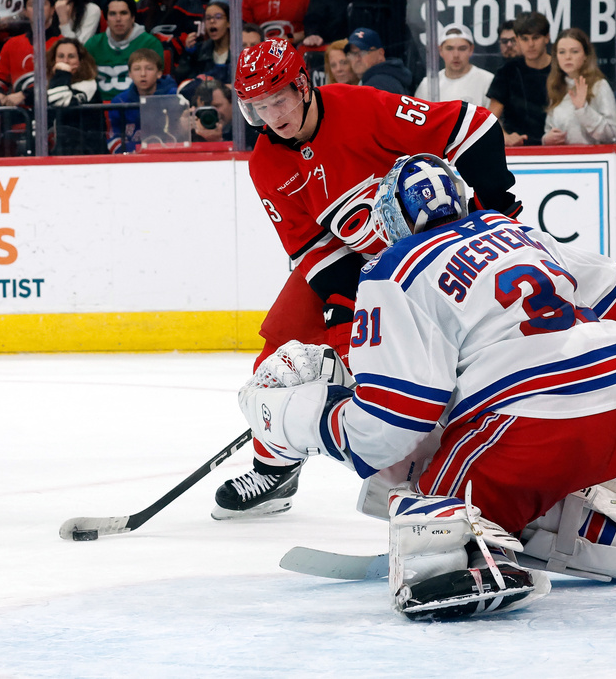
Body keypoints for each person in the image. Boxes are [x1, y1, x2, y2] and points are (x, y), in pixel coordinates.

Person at [237, 153, 616, 620]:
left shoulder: (394, 268)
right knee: (490, 465)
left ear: (389, 217)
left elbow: (390, 425)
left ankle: (470, 560)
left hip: (532, 430)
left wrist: (306, 418)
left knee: (422, 497)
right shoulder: (514, 230)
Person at [213, 39, 522, 520]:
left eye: (279, 100)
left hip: (434, 252)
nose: (272, 117)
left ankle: (464, 462)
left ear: (303, 85)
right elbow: (310, 247)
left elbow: (473, 126)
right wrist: (342, 303)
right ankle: (275, 465)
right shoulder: (266, 163)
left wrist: (499, 212)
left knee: (450, 361)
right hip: (358, 263)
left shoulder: (361, 107)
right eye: (257, 107)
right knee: (281, 347)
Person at [487, 11, 551, 146]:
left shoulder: (562, 69)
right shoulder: (507, 72)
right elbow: (489, 119)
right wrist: (505, 137)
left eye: (536, 38)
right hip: (518, 150)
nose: (531, 44)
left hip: (560, 148)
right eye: (525, 39)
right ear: (517, 40)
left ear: (547, 38)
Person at [542, 27, 615, 145]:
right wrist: (547, 139)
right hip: (563, 160)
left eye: (574, 51)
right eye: (562, 52)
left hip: (595, 160)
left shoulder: (599, 86)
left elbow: (612, 135)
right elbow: (549, 129)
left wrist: (582, 109)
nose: (567, 57)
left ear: (586, 55)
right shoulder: (557, 86)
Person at [84, 0, 165, 101]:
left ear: (133, 17)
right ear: (106, 19)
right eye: (112, 14)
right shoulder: (93, 44)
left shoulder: (150, 44)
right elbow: (82, 79)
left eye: (123, 13)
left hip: (136, 107)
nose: (118, 19)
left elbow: (159, 83)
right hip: (97, 110)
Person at [0, 0, 59, 108]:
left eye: (43, 4)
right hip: (19, 118)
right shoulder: (12, 44)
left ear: (52, 10)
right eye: (32, 5)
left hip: (54, 117)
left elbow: (62, 82)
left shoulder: (64, 44)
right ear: (25, 11)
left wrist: (25, 95)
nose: (38, 8)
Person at [106, 46, 178, 153]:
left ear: (159, 73)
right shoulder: (119, 101)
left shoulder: (173, 96)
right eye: (137, 69)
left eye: (149, 69)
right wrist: (133, 152)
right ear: (130, 74)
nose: (143, 74)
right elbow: (114, 138)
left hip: (165, 157)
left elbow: (179, 136)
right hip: (130, 160)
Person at [46, 36, 104, 154]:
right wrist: (23, 95)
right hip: (58, 151)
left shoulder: (88, 85)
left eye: (71, 56)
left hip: (88, 153)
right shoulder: (53, 84)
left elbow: (58, 98)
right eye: (61, 56)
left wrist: (62, 72)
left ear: (81, 61)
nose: (65, 61)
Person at [413, 23, 493, 106]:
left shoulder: (487, 81)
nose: (456, 55)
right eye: (449, 48)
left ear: (471, 49)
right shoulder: (428, 84)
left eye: (462, 49)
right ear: (440, 50)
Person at [173, 0, 231, 95]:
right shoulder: (199, 50)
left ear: (229, 22)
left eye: (218, 17)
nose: (212, 21)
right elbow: (182, 79)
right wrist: (187, 55)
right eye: (208, 18)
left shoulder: (238, 50)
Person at [136, 0, 202, 66]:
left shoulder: (189, 3)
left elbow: (195, 38)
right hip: (146, 63)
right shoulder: (140, 6)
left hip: (182, 64)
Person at [345, 26, 411, 94]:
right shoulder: (386, 78)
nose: (357, 59)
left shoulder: (378, 85)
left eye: (363, 52)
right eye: (352, 54)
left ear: (380, 53)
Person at [242, 0, 309, 45]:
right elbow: (246, 31)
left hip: (293, 46)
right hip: (259, 48)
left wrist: (288, 38)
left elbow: (308, 31)